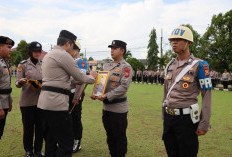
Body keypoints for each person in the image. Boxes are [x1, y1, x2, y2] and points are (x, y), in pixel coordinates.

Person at [37, 30, 98, 157]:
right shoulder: (63, 55)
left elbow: (65, 78)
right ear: (68, 43)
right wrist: (92, 77)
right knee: (66, 144)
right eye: (72, 45)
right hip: (56, 104)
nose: (72, 49)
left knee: (50, 141)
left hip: (44, 103)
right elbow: (80, 77)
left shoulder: (49, 55)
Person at [162, 26, 212, 157]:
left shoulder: (200, 65)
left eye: (179, 39)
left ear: (189, 43)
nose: (174, 42)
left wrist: (204, 123)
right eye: (172, 40)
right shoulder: (170, 65)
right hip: (169, 118)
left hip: (187, 120)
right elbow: (165, 92)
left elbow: (207, 96)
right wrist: (164, 115)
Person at [91, 40, 132, 157]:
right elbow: (101, 83)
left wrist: (106, 96)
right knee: (110, 136)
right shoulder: (106, 65)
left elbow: (124, 87)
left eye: (115, 48)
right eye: (111, 48)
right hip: (106, 107)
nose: (112, 50)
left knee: (119, 138)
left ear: (122, 51)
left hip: (118, 109)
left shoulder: (126, 67)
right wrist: (96, 93)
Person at [15, 41, 44, 157]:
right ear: (30, 51)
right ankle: (28, 150)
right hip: (27, 102)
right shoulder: (23, 65)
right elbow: (17, 82)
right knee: (28, 128)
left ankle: (38, 150)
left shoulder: (43, 64)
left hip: (41, 102)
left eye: (39, 51)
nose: (37, 53)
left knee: (40, 128)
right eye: (35, 51)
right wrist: (21, 82)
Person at [69, 41, 87, 153]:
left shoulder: (81, 62)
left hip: (76, 93)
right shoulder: (70, 61)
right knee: (69, 119)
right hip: (68, 93)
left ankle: (77, 142)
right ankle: (71, 140)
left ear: (76, 50)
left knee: (76, 118)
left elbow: (81, 80)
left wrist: (77, 97)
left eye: (70, 49)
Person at [0, 36, 14, 140]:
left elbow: (5, 85)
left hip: (4, 102)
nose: (11, 50)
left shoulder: (3, 61)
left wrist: (9, 101)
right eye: (8, 47)